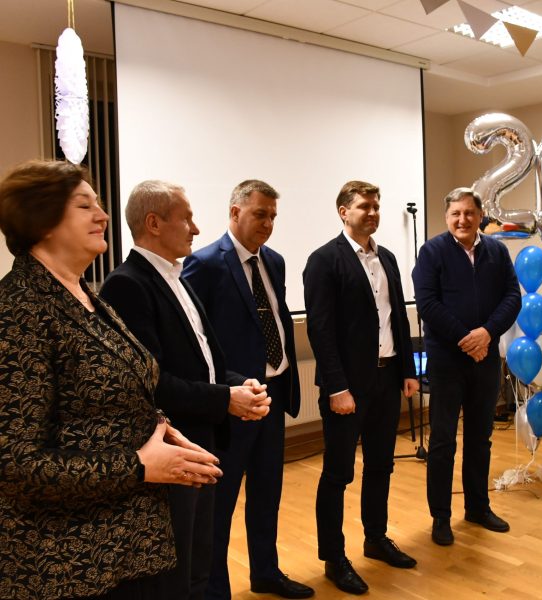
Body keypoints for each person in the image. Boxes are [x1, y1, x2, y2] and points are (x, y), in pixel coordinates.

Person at [0, 160, 222, 600]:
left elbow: (118, 388)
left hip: (131, 543)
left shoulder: (87, 296)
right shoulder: (19, 310)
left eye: (99, 205)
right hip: (71, 561)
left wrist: (163, 429)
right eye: (85, 206)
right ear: (41, 220)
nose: (103, 215)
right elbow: (16, 465)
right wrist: (140, 466)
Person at [100, 180, 271, 600]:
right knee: (174, 575)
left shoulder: (178, 276)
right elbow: (151, 383)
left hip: (201, 440)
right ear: (154, 223)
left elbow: (203, 359)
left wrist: (237, 383)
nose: (196, 229)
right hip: (171, 449)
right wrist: (225, 399)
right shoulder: (127, 284)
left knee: (199, 565)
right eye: (187, 218)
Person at [183, 180, 313, 600]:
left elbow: (273, 319)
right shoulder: (204, 264)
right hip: (234, 403)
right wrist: (230, 388)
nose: (268, 223)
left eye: (273, 216)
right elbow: (197, 341)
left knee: (266, 492)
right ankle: (215, 590)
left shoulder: (274, 261)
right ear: (235, 212)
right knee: (219, 504)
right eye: (260, 214)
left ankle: (266, 573)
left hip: (272, 395)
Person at [303, 180, 419, 595]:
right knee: (338, 474)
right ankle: (334, 558)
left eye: (376, 207)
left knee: (381, 465)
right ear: (343, 211)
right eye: (364, 206)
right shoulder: (324, 260)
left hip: (387, 378)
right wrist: (337, 387)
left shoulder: (387, 258)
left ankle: (376, 538)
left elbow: (398, 317)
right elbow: (320, 330)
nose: (372, 213)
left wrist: (408, 369)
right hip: (347, 387)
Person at [412, 187, 521, 547]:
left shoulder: (496, 252)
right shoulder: (432, 252)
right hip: (447, 361)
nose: (463, 219)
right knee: (443, 441)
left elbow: (512, 297)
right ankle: (440, 517)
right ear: (447, 217)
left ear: (480, 216)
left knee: (480, 438)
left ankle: (477, 507)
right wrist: (466, 338)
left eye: (469, 213)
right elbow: (427, 303)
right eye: (456, 213)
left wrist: (486, 333)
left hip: (485, 358)